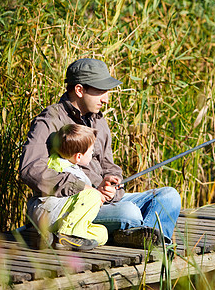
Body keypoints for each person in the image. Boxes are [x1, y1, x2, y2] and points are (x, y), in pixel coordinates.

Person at [19, 58, 181, 248]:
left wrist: (111, 181)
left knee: (169, 196)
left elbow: (107, 164)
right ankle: (138, 237)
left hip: (103, 201)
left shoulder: (98, 120)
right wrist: (81, 188)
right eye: (101, 91)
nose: (106, 99)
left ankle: (145, 239)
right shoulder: (49, 121)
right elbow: (31, 170)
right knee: (129, 213)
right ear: (79, 90)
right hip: (69, 205)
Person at [27, 124, 108, 251]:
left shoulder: (58, 160)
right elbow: (81, 192)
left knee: (102, 233)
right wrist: (95, 195)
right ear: (79, 156)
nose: (93, 154)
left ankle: (54, 239)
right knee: (93, 196)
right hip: (49, 212)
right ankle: (66, 234)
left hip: (56, 216)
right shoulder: (62, 168)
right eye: (91, 151)